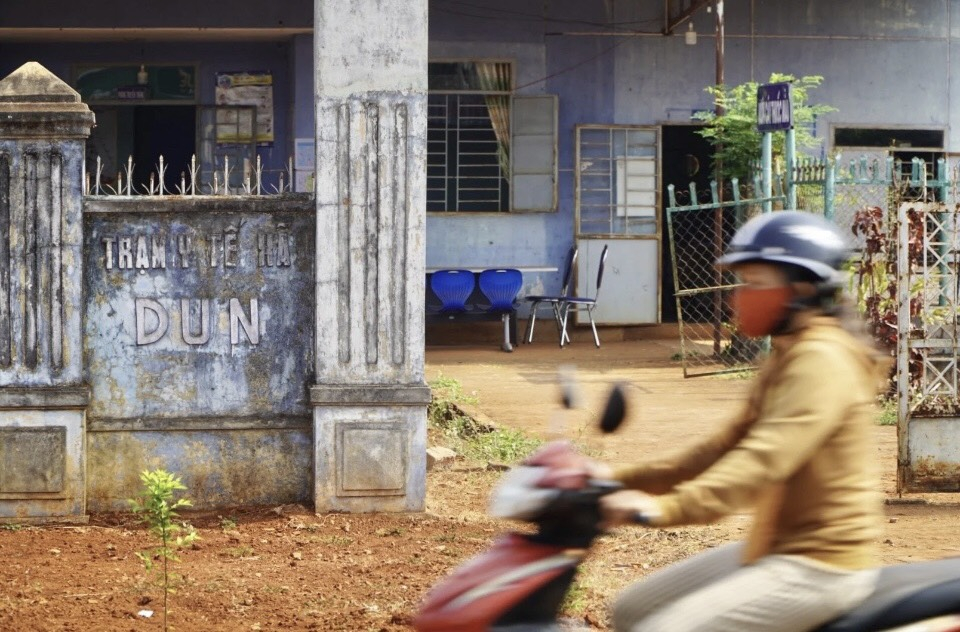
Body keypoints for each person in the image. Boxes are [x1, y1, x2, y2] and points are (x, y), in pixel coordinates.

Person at [596, 211, 888, 632]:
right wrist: (613, 482)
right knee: (632, 609)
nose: (740, 296)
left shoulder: (822, 360)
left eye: (755, 283)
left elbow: (761, 460)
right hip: (772, 547)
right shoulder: (787, 354)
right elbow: (718, 452)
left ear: (802, 289)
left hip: (821, 566)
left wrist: (663, 509)